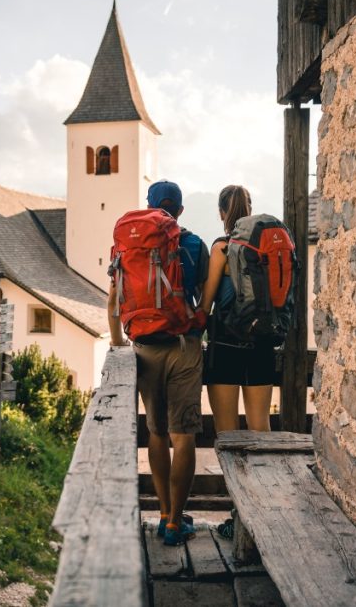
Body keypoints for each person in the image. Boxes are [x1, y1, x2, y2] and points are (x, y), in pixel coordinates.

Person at [107, 180, 208, 546]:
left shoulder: (129, 242)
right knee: (184, 436)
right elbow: (204, 297)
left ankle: (163, 512)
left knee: (156, 432)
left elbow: (113, 301)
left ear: (149, 206)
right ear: (179, 210)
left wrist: (120, 343)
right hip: (182, 346)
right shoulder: (193, 244)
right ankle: (176, 522)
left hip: (144, 348)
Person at [201, 185, 275, 537]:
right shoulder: (266, 247)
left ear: (221, 212)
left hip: (225, 346)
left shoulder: (221, 248)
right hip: (262, 346)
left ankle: (237, 516)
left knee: (228, 436)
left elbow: (206, 305)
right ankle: (264, 512)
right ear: (250, 209)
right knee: (261, 429)